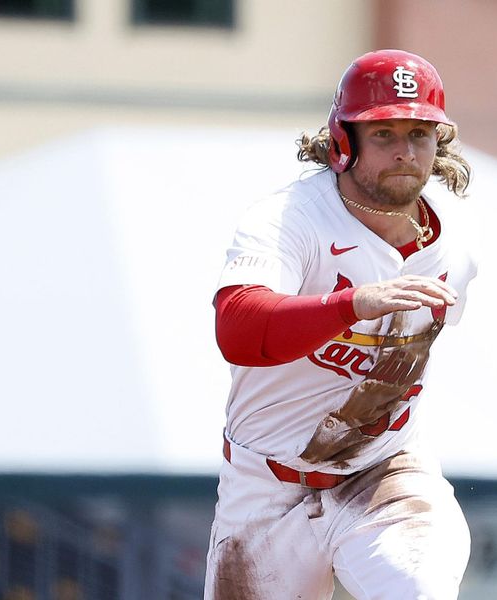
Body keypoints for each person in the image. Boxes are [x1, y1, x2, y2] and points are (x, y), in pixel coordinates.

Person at [203, 49, 478, 599]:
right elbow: (237, 330)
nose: (405, 151)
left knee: (419, 591)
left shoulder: (456, 246)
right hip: (266, 488)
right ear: (342, 142)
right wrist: (351, 305)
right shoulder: (289, 218)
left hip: (383, 476)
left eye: (420, 133)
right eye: (384, 134)